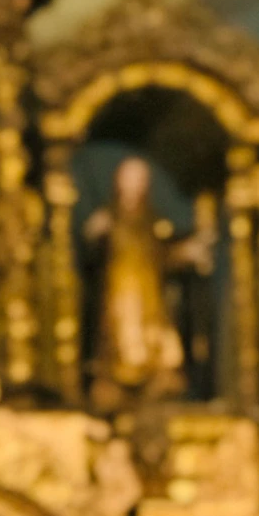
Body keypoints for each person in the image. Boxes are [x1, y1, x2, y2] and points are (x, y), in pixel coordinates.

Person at [82, 154, 214, 411]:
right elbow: (92, 256)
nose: (134, 184)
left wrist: (187, 251)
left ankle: (155, 381)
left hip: (149, 296)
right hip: (118, 295)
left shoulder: (153, 221)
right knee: (119, 337)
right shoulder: (108, 218)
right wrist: (95, 234)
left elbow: (163, 255)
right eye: (129, 178)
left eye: (139, 178)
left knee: (154, 338)